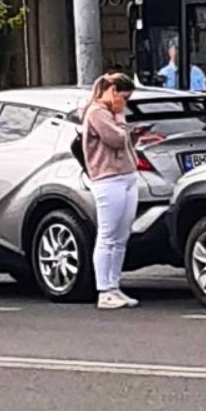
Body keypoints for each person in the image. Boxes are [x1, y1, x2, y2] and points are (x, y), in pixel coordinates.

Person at [82, 72, 143, 310]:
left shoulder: (110, 114)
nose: (124, 103)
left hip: (126, 174)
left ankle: (114, 284)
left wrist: (132, 135)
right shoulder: (97, 113)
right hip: (108, 178)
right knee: (108, 234)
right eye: (124, 98)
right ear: (113, 91)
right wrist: (120, 116)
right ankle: (104, 290)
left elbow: (124, 140)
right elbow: (116, 140)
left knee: (121, 234)